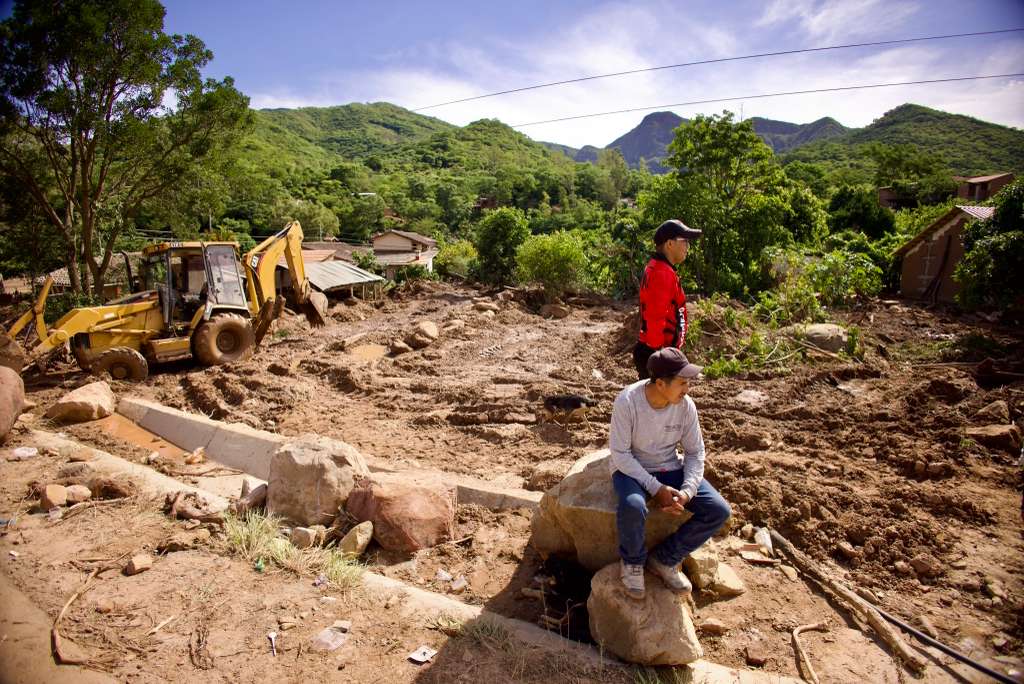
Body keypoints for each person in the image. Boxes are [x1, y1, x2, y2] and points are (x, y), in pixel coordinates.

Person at [609, 346, 730, 600]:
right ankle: (632, 563)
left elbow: (695, 452)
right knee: (633, 505)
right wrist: (656, 488)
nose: (687, 389)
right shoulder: (627, 401)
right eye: (682, 383)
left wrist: (687, 491)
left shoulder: (685, 406)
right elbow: (620, 454)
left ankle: (665, 559)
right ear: (661, 384)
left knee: (718, 510)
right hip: (632, 468)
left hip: (669, 466)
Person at [633, 219, 703, 380]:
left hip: (657, 351)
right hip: (657, 353)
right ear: (670, 244)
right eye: (684, 241)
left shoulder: (659, 267)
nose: (688, 246)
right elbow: (655, 316)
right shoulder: (662, 272)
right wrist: (661, 356)